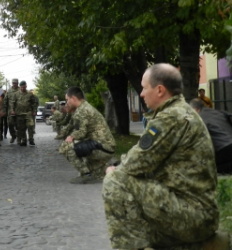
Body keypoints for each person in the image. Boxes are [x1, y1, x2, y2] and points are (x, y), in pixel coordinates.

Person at [102, 63, 221, 250]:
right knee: (137, 222)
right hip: (196, 212)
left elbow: (134, 164)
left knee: (115, 180)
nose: (141, 93)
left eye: (143, 87)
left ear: (159, 90)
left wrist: (113, 169)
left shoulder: (172, 117)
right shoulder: (178, 112)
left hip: (193, 216)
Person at [60, 86, 115, 183]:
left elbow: (81, 132)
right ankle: (117, 167)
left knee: (67, 147)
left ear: (73, 98)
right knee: (98, 174)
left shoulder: (82, 111)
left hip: (101, 148)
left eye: (67, 99)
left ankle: (86, 175)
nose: (66, 103)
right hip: (106, 147)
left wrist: (71, 136)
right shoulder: (84, 107)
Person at [190, 98, 232, 174]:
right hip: (229, 143)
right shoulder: (218, 112)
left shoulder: (199, 119)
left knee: (209, 167)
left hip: (221, 147)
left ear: (194, 109)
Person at [11, 81, 38, 146]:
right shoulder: (16, 94)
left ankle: (31, 139)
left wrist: (34, 110)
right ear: (20, 87)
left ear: (26, 86)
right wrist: (12, 110)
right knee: (21, 128)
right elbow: (13, 103)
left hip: (28, 113)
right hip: (19, 113)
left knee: (30, 126)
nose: (23, 88)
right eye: (21, 87)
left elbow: (34, 103)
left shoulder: (30, 94)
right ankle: (24, 140)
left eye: (24, 87)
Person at [2, 78, 19, 143]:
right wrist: (4, 110)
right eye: (13, 83)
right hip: (10, 111)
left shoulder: (20, 90)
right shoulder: (9, 91)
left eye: (15, 83)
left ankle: (19, 137)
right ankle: (13, 135)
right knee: (10, 124)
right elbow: (5, 101)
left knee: (19, 125)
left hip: (19, 110)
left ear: (17, 83)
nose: (14, 84)